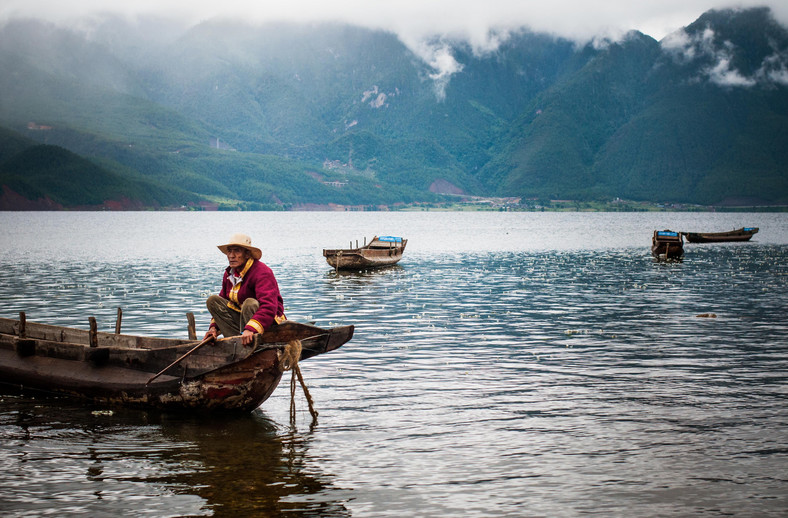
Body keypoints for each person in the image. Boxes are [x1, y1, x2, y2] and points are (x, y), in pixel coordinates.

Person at [204, 233, 286, 346]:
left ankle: (252, 342)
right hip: (244, 327)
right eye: (229, 251)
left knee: (250, 303)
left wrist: (251, 328)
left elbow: (269, 307)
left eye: (237, 251)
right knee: (213, 301)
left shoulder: (262, 272)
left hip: (267, 325)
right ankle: (237, 342)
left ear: (247, 254)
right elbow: (223, 300)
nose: (231, 256)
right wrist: (213, 328)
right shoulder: (229, 273)